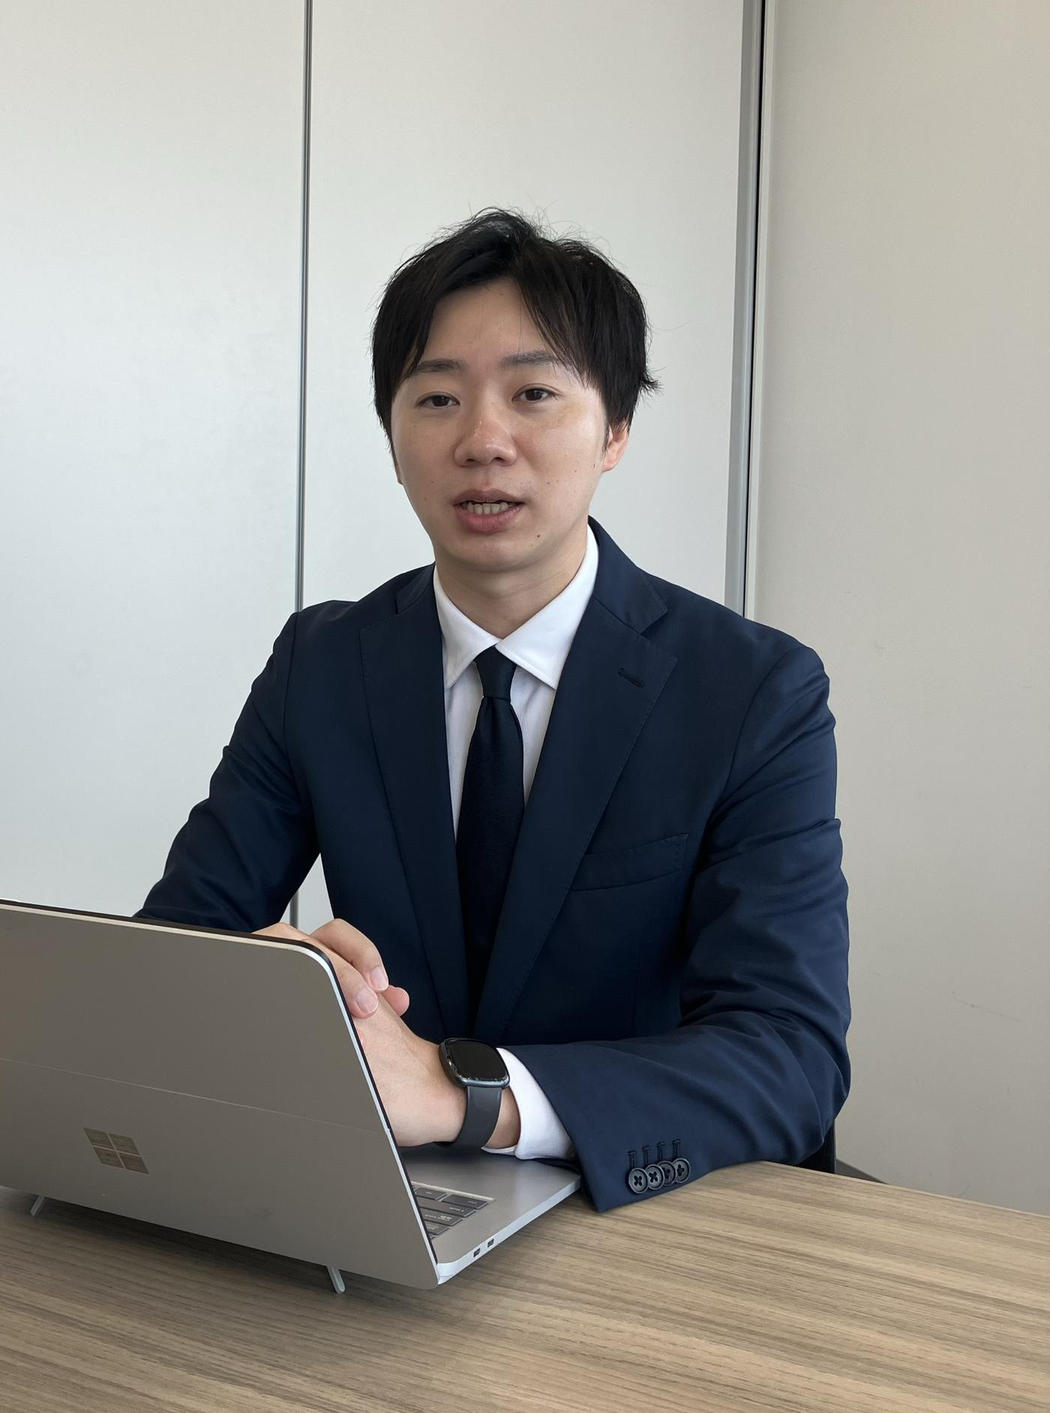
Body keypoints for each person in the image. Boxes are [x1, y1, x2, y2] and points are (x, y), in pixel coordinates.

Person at [135, 207, 850, 1211]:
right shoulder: (323, 665)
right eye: (437, 398)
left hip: (647, 1220)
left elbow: (790, 1055)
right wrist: (254, 987)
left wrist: (463, 1097)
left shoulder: (752, 692)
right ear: (392, 440)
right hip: (383, 1206)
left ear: (615, 431)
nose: (482, 441)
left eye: (534, 394)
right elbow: (167, 950)